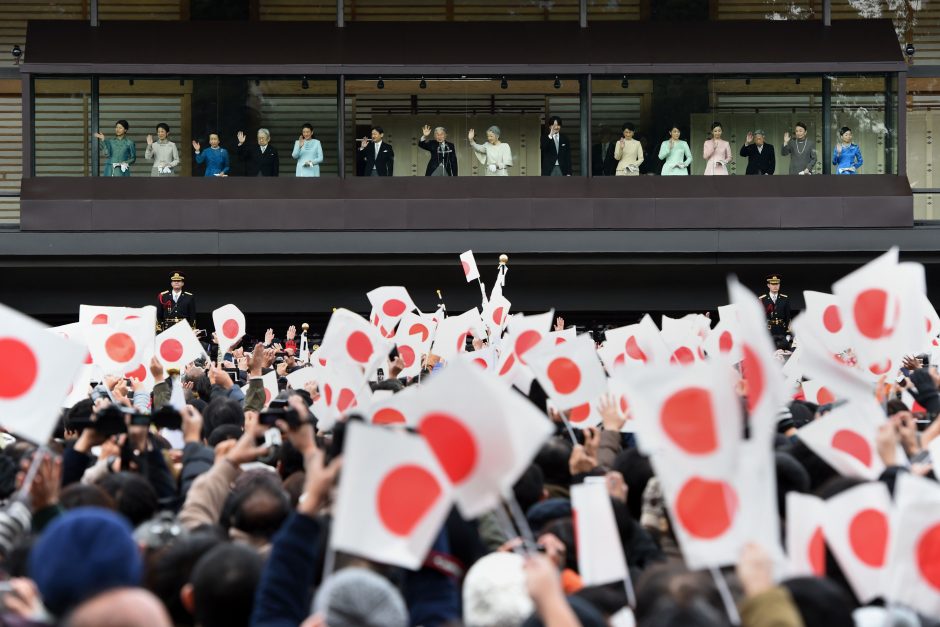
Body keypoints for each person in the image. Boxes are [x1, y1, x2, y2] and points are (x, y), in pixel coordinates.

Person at [759, 274, 791, 343]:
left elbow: (788, 317)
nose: (775, 286)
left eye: (777, 284)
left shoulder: (784, 299)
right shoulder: (763, 299)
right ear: (768, 285)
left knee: (782, 351)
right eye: (773, 284)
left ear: (779, 285)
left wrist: (788, 334)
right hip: (768, 332)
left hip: (782, 331)